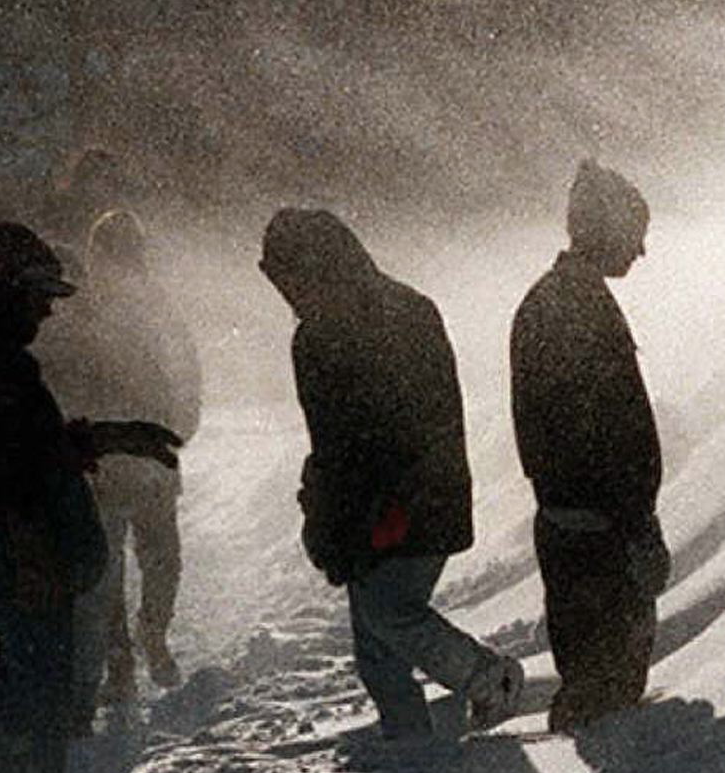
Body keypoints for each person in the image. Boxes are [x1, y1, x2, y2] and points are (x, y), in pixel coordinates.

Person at [0, 223, 180, 773]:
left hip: (23, 557)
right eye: (39, 294)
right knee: (37, 687)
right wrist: (31, 558)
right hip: (21, 561)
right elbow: (0, 474)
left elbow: (29, 447)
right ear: (7, 291)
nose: (48, 308)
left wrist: (111, 437)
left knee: (32, 678)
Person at [259, 208, 524, 738]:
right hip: (398, 501)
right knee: (376, 642)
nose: (284, 291)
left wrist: (371, 507)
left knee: (388, 615)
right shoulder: (376, 316)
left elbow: (375, 433)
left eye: (288, 276)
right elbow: (339, 441)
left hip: (403, 504)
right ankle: (409, 746)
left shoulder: (353, 328)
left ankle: (490, 680)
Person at [509, 161, 670, 733]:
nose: (643, 250)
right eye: (635, 233)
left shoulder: (553, 301)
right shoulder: (578, 309)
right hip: (601, 533)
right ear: (606, 230)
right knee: (607, 695)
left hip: (577, 525)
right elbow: (603, 432)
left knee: (592, 689)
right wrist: (632, 523)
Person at [33, 208, 203, 713]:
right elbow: (184, 371)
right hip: (123, 455)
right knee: (148, 560)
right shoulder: (105, 307)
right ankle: (136, 650)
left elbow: (181, 370)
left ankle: (136, 649)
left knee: (132, 564)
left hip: (126, 455)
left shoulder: (128, 308)